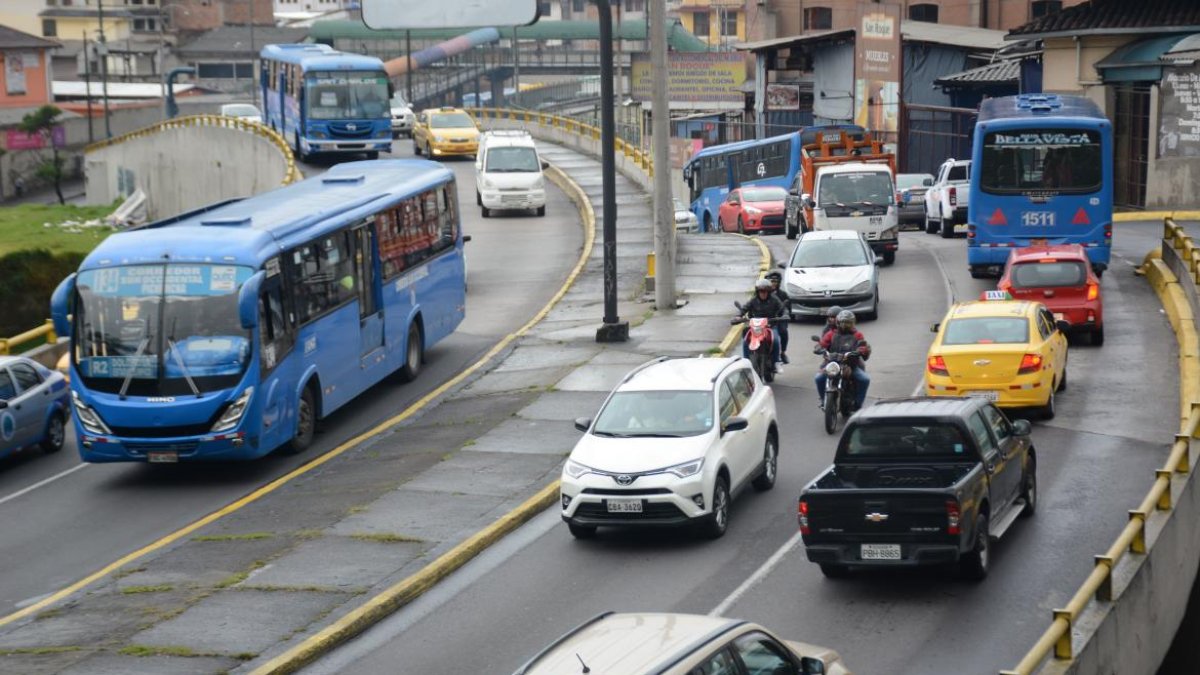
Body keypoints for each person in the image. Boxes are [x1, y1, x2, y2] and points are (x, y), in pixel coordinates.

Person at [814, 309, 871, 410]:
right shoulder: (831, 334)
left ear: (853, 323)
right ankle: (824, 401)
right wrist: (819, 348)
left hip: (850, 365)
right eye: (843, 323)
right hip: (832, 364)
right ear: (838, 323)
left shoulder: (857, 335)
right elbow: (822, 344)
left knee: (864, 379)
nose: (846, 325)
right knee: (819, 378)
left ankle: (858, 404)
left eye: (849, 323)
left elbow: (863, 345)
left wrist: (860, 350)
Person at [738, 278, 784, 369]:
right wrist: (739, 315)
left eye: (765, 291)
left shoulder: (774, 300)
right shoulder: (753, 300)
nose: (763, 293)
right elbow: (745, 308)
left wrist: (785, 315)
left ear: (769, 292)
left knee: (775, 341)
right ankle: (746, 363)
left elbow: (782, 308)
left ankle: (776, 362)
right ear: (757, 291)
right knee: (745, 342)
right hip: (756, 327)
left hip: (770, 326)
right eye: (761, 291)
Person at [765, 271, 790, 364]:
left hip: (779, 320)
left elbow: (787, 309)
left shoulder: (783, 295)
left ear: (779, 282)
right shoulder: (761, 293)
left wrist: (784, 315)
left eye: (775, 281)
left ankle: (782, 352)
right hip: (764, 320)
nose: (773, 283)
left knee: (783, 331)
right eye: (771, 281)